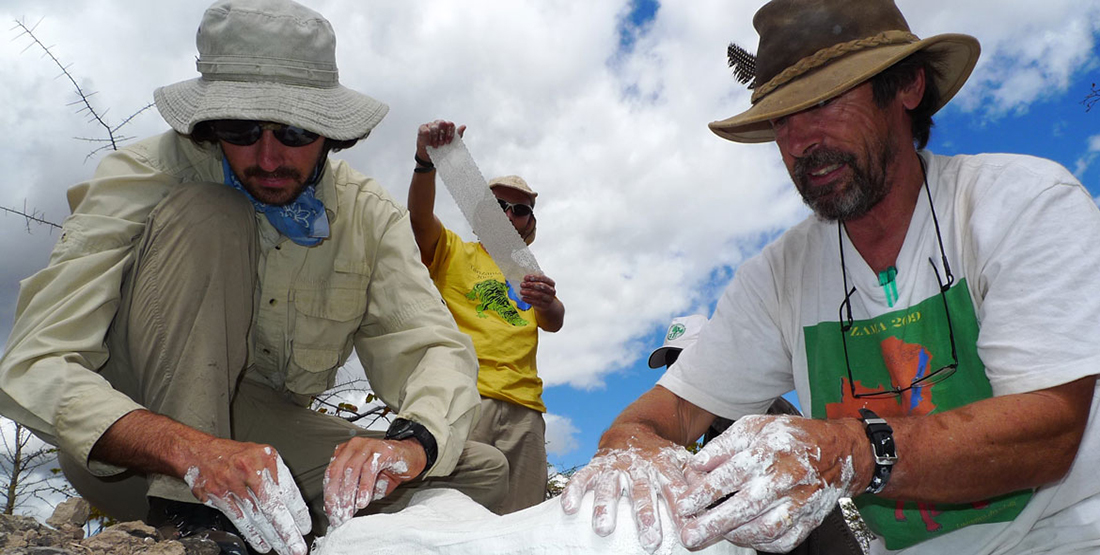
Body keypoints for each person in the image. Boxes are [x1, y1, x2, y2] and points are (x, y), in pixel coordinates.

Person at [561, 0, 1100, 554]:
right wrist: (628, 444)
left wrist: (852, 450)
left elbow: (1050, 432)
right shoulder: (776, 277)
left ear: (909, 86)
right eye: (781, 119)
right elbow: (661, 415)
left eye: (823, 102)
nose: (799, 143)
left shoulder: (1024, 203)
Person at [0, 2, 507, 554]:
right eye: (240, 129)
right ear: (211, 123)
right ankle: (191, 521)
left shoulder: (368, 214)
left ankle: (287, 529)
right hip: (135, 451)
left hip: (259, 434)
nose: (267, 158)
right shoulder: (145, 175)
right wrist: (192, 452)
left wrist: (413, 444)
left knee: (477, 468)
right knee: (210, 212)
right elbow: (34, 362)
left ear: (330, 132)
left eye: (293, 131)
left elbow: (430, 345)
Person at [407, 120, 565, 514]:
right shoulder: (454, 251)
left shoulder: (528, 272)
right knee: (452, 513)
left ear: (529, 223)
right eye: (498, 206)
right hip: (467, 398)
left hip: (527, 411)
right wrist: (425, 163)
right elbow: (418, 219)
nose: (509, 215)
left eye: (520, 210)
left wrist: (548, 302)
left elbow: (556, 320)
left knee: (521, 519)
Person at [648, 315, 864, 555]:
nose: (675, 375)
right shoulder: (717, 421)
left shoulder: (747, 414)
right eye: (672, 365)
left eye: (683, 362)